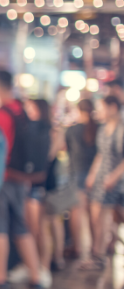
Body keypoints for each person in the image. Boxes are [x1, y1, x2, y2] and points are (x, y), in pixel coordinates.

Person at [0, 70, 46, 289]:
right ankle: (36, 276)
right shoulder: (22, 111)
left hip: (1, 179)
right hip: (21, 179)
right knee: (21, 227)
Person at [24, 99, 66, 273]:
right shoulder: (53, 130)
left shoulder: (47, 131)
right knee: (52, 222)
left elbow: (48, 156)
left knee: (41, 227)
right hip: (50, 182)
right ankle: (55, 259)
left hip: (43, 182)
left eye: (32, 108)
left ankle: (44, 266)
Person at [86, 95, 124, 271]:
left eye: (103, 108)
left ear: (113, 107)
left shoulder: (121, 128)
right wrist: (92, 174)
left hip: (115, 179)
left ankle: (99, 254)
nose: (100, 111)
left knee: (105, 215)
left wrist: (114, 177)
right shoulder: (103, 128)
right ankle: (97, 253)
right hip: (101, 176)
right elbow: (100, 154)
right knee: (95, 217)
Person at [68, 99, 98, 269]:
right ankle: (95, 246)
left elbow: (65, 149)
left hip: (77, 173)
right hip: (94, 175)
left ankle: (77, 247)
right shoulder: (98, 127)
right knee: (94, 214)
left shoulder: (72, 129)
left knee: (77, 212)